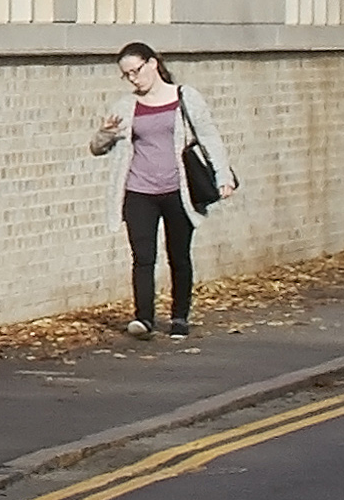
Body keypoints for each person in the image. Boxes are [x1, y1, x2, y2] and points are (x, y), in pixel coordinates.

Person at [89, 40, 235, 339]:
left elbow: (209, 136)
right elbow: (96, 148)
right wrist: (105, 133)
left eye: (136, 70)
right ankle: (144, 319)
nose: (133, 78)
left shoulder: (184, 97)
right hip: (138, 190)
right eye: (126, 74)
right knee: (143, 257)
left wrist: (223, 175)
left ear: (153, 63)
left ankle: (179, 317)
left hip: (176, 189)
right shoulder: (126, 106)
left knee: (178, 255)